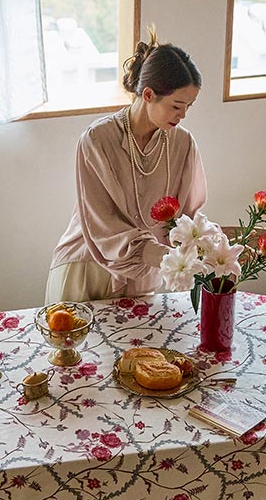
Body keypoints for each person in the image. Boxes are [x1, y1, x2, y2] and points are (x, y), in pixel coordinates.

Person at [45, 27, 207, 303]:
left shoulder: (183, 144)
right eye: (176, 106)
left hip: (144, 275)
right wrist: (166, 256)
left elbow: (186, 219)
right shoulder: (97, 140)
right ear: (147, 95)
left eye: (189, 107)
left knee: (150, 348)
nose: (183, 116)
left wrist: (203, 251)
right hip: (87, 270)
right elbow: (103, 224)